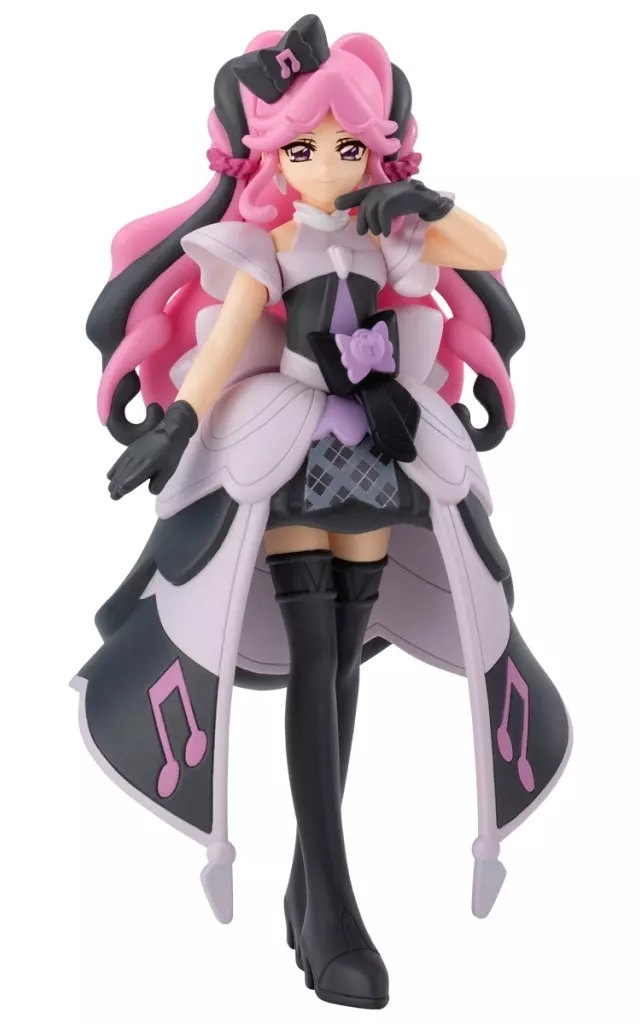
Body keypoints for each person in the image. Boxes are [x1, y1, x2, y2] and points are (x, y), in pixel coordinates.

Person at [73, 14, 572, 1010]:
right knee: (315, 655)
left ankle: (310, 888)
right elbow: (225, 346)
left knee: (344, 658)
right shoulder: (264, 245)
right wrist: (175, 428)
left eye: (349, 147)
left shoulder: (393, 236)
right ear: (271, 157)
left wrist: (420, 199)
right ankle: (334, 904)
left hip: (379, 451)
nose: (329, 165)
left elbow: (489, 248)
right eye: (303, 149)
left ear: (375, 149)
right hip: (292, 446)